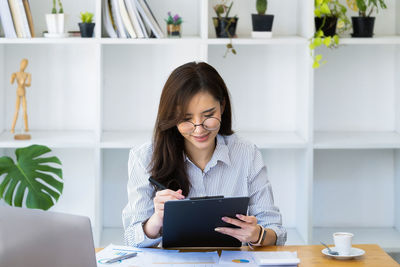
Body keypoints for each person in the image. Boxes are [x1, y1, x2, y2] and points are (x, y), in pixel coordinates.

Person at [122, 62, 286, 247]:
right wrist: (156, 219)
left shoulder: (247, 153)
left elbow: (276, 231)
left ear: (222, 106)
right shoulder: (144, 157)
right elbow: (130, 239)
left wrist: (258, 235)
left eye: (208, 115)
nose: (199, 129)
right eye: (186, 119)